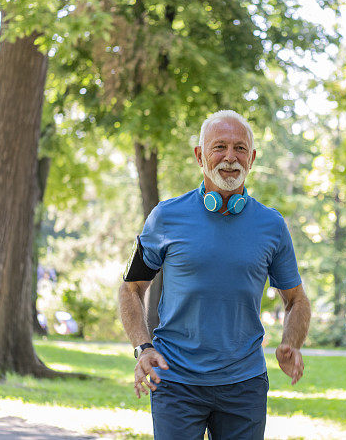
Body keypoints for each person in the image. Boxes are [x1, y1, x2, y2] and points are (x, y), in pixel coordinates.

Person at [119, 110, 311, 440]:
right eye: (219, 146)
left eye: (239, 148)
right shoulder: (165, 217)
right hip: (175, 381)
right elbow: (131, 289)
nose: (230, 158)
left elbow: (296, 300)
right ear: (200, 156)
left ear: (251, 158)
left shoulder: (272, 226)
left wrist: (291, 342)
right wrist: (143, 347)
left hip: (244, 384)